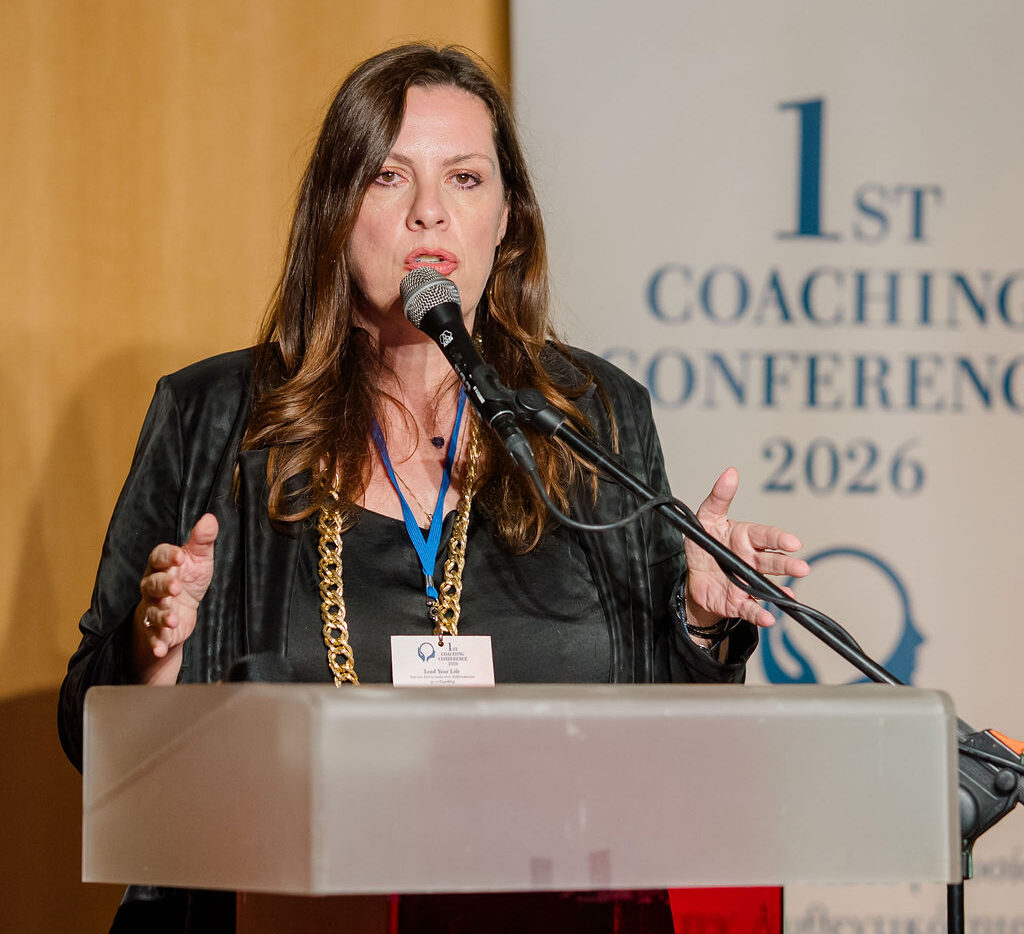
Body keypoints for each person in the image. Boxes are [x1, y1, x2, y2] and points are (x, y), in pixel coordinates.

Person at [58, 43, 808, 933]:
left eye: (464, 178)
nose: (428, 211)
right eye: (388, 177)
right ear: (336, 212)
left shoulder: (590, 418)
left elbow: (661, 746)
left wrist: (700, 621)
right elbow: (85, 732)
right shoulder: (214, 417)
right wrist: (153, 655)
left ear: (506, 220)